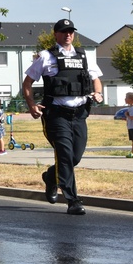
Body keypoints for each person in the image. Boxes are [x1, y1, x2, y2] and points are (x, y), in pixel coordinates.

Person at [21, 18, 103, 215]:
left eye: (71, 31)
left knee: (75, 156)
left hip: (79, 114)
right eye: (64, 31)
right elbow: (27, 83)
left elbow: (96, 80)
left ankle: (51, 176)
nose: (68, 35)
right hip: (56, 115)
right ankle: (73, 200)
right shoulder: (46, 56)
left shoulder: (84, 56)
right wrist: (32, 104)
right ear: (56, 34)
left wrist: (98, 93)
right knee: (65, 155)